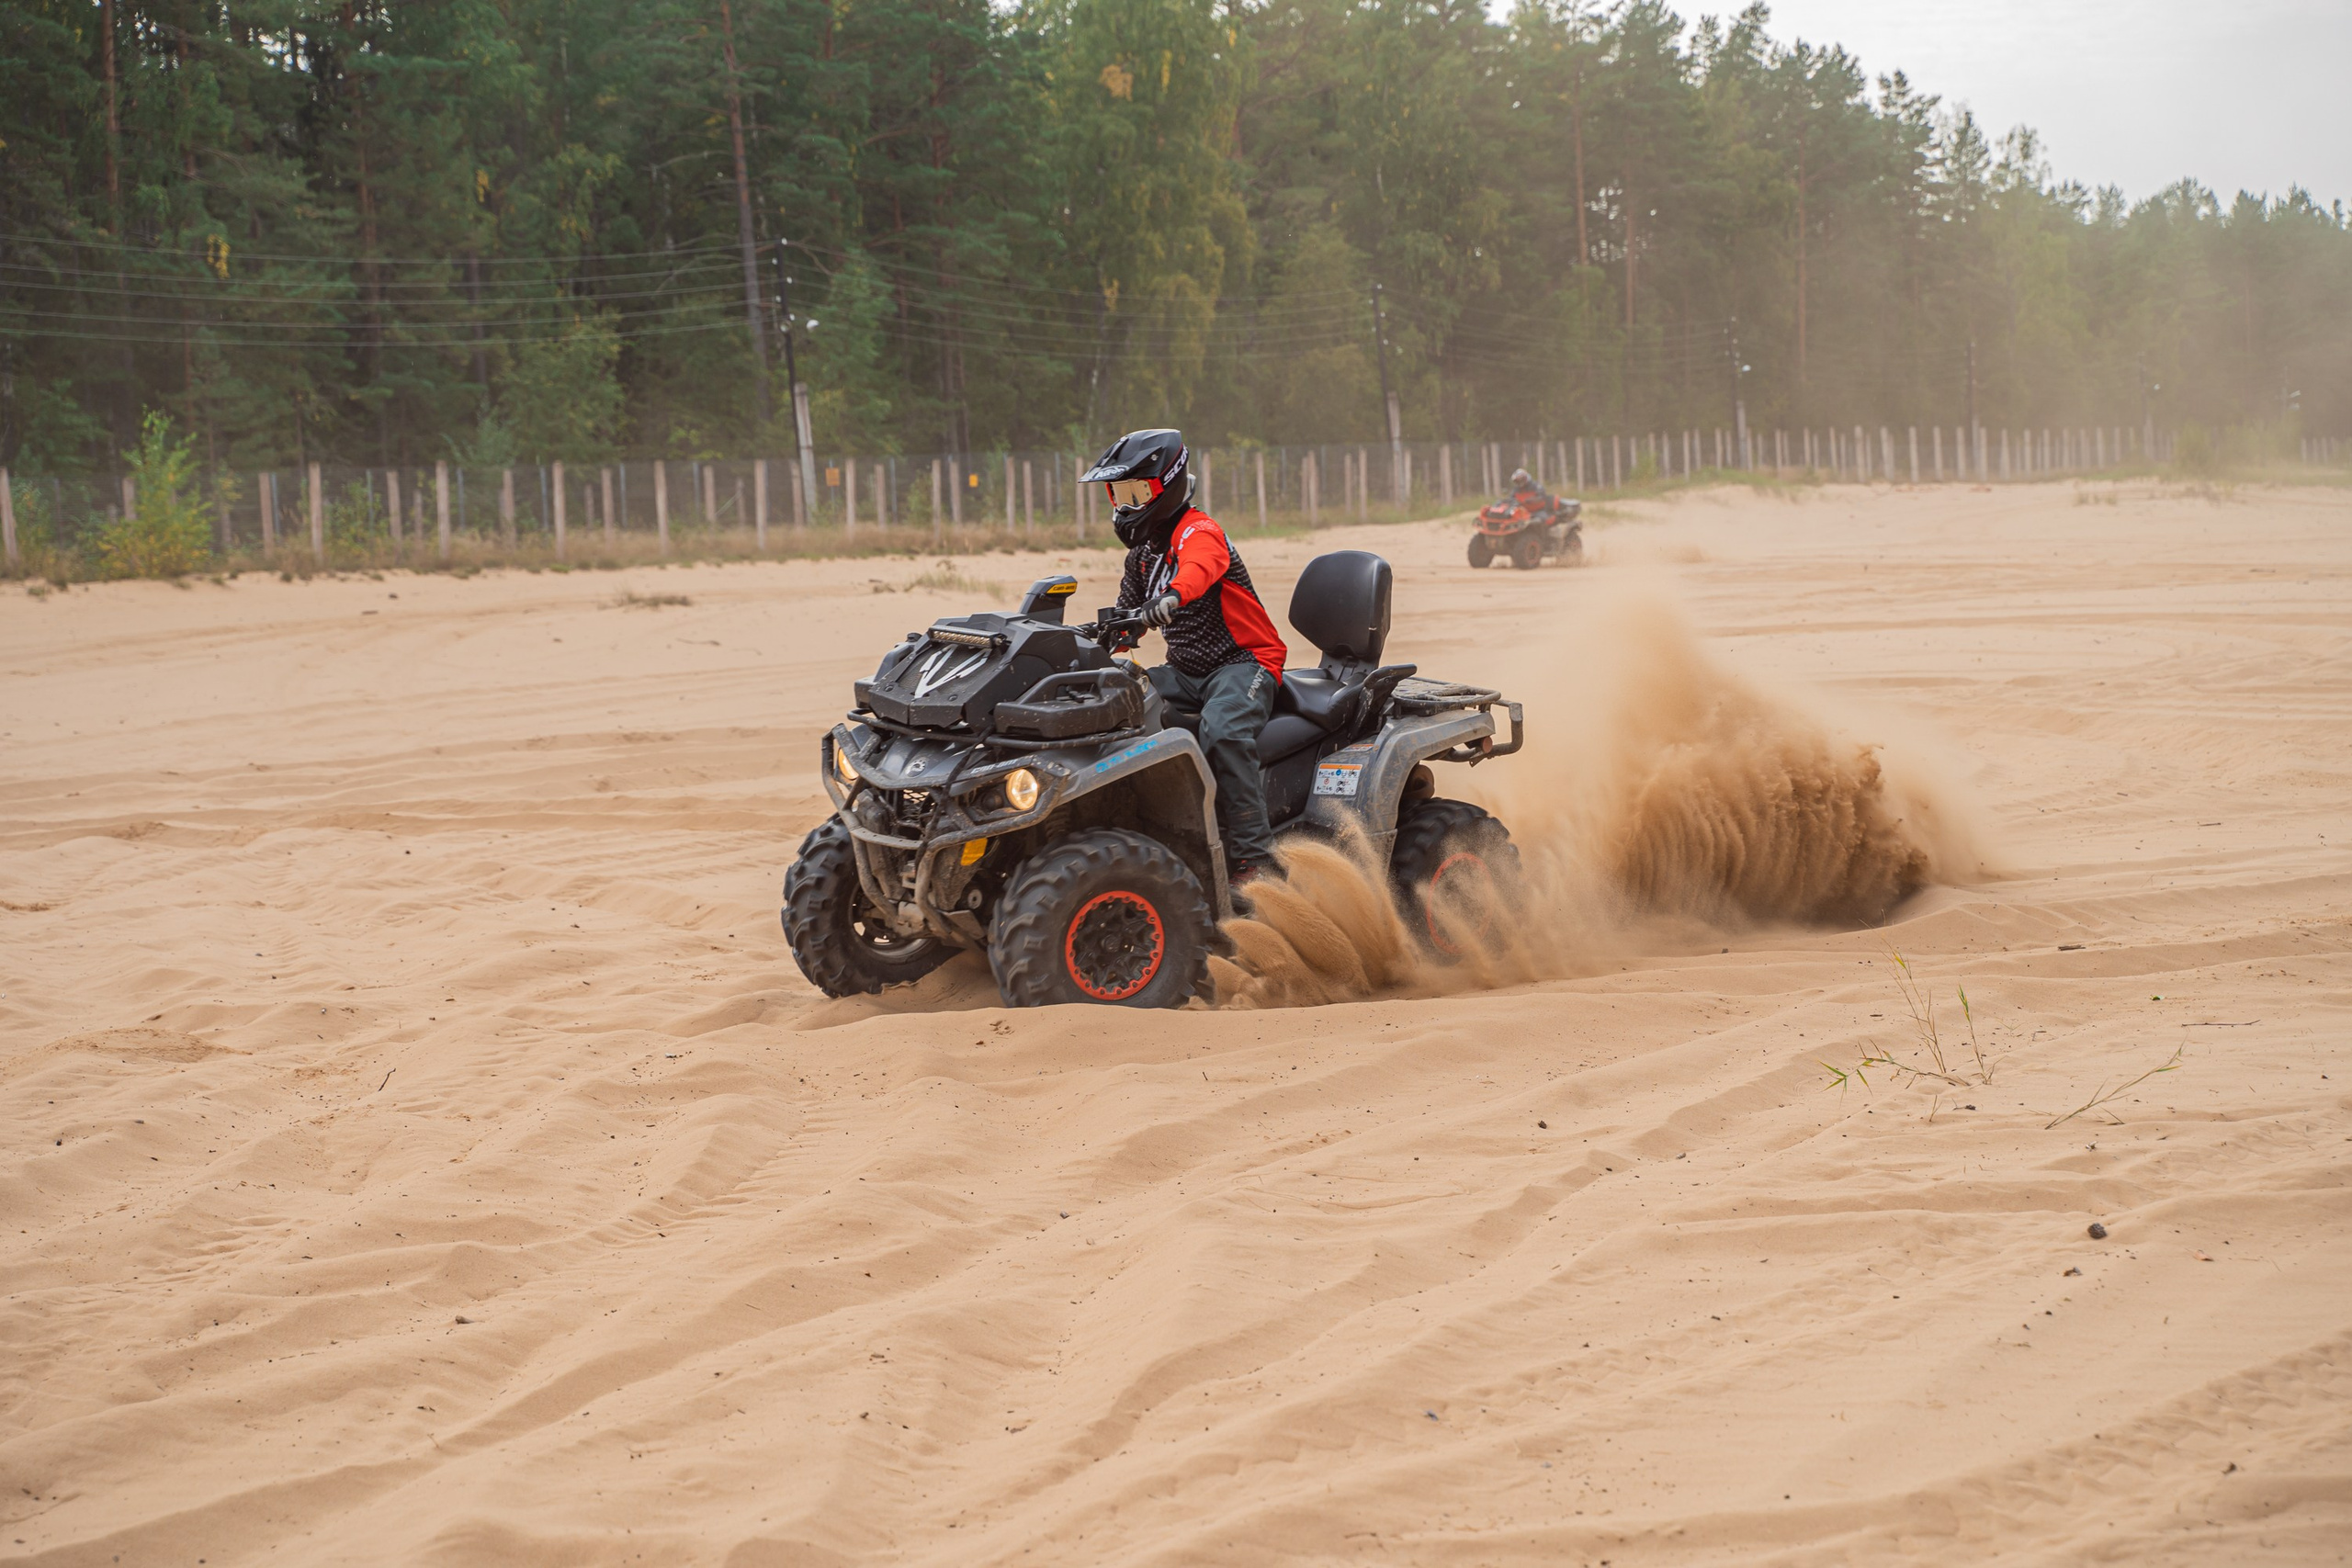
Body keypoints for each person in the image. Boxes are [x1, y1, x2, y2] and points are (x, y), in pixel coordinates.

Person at [1081, 428, 1287, 885]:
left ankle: (1257, 862)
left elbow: (1199, 568)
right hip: (1186, 671)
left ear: (1168, 483)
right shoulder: (1141, 555)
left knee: (1225, 729)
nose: (1125, 505)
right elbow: (1123, 620)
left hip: (1243, 662)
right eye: (1119, 493)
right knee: (1116, 698)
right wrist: (1092, 642)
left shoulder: (1199, 530)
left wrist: (1173, 596)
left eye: (1138, 492)